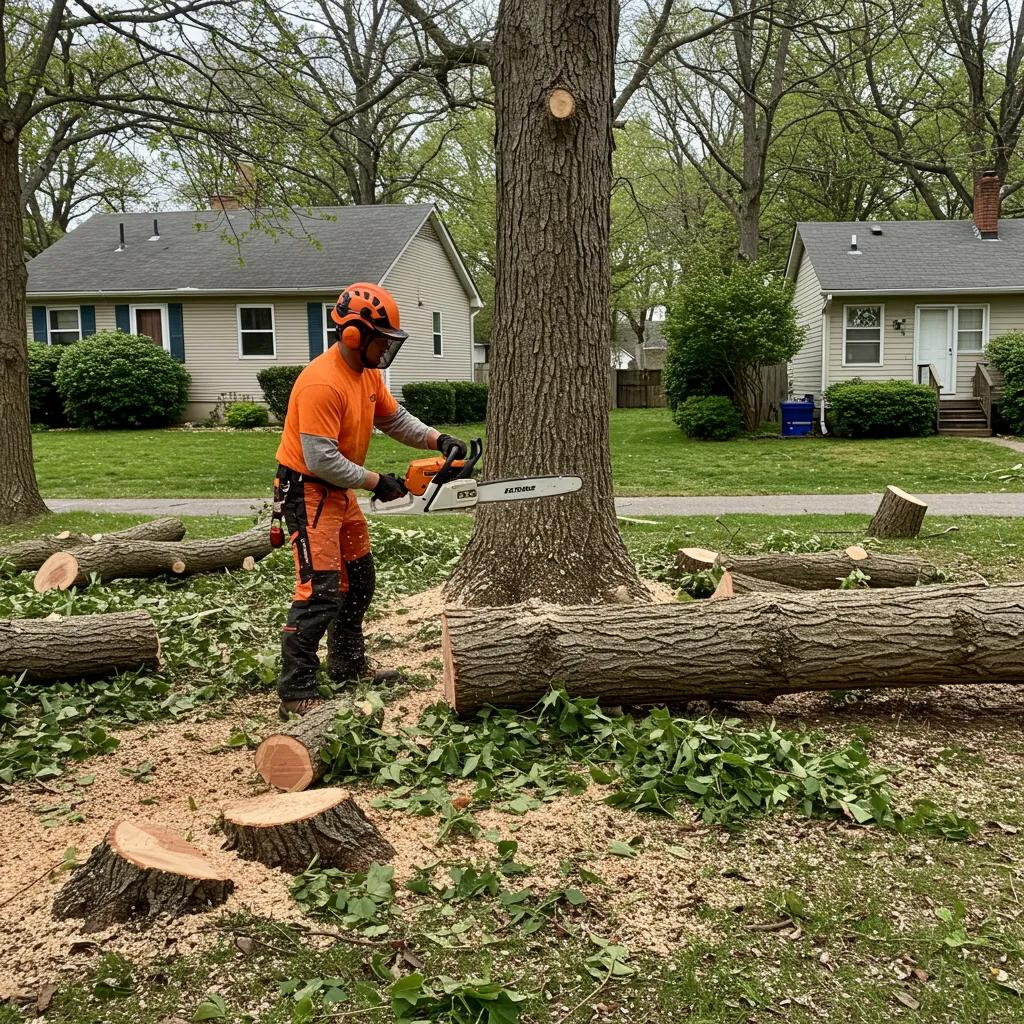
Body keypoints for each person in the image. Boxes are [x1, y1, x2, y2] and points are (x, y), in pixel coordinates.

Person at [273, 282, 466, 719]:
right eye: (381, 341)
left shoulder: (367, 373)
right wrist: (378, 481)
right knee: (318, 591)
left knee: (358, 579)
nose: (386, 350)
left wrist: (438, 438)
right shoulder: (321, 383)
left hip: (337, 491)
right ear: (355, 335)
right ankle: (295, 688)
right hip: (308, 491)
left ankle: (346, 664)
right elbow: (319, 459)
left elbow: (393, 418)